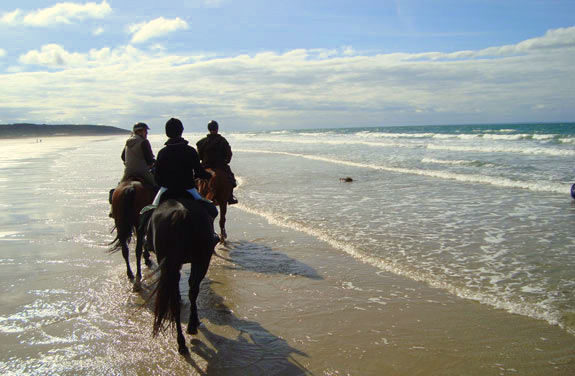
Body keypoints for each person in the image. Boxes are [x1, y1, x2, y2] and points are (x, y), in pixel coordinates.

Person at [150, 118, 218, 219]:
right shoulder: (190, 151)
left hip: (166, 190)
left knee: (148, 213)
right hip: (188, 189)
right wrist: (210, 175)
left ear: (167, 132)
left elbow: (157, 178)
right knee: (212, 210)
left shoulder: (162, 153)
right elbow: (199, 173)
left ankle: (146, 234)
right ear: (181, 131)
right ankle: (212, 234)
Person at [196, 120, 238, 204]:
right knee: (231, 179)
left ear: (208, 129)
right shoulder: (223, 141)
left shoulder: (201, 142)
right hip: (221, 166)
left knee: (195, 179)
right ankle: (230, 197)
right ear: (217, 128)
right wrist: (227, 161)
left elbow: (199, 157)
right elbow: (229, 155)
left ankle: (196, 197)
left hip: (206, 167)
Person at [120, 122, 156, 188]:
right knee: (156, 186)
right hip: (142, 171)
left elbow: (123, 157)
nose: (147, 133)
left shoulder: (128, 141)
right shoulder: (144, 142)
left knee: (118, 187)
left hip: (128, 172)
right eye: (145, 131)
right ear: (139, 131)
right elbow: (149, 160)